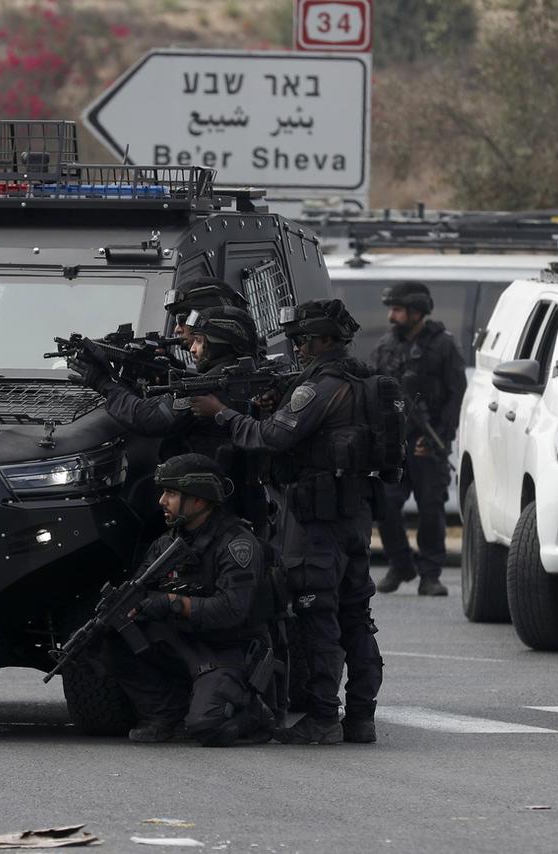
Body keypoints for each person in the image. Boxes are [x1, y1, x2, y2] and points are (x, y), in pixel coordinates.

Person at [188, 299, 383, 745]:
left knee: (318, 615)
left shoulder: (321, 385)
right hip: (354, 513)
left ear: (326, 340)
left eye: (303, 340)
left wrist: (221, 412)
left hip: (317, 521)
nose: (296, 349)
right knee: (358, 616)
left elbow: (271, 438)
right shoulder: (364, 378)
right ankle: (360, 717)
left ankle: (321, 717)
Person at [99, 453, 275, 746]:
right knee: (114, 634)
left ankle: (256, 715)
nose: (162, 502)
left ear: (200, 500)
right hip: (187, 642)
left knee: (207, 728)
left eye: (171, 493)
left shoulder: (237, 544)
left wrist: (172, 602)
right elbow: (141, 590)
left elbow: (232, 611)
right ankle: (166, 715)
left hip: (228, 649)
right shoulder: (166, 544)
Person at [70, 305, 271, 535]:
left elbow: (149, 418)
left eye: (199, 341)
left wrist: (104, 384)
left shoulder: (212, 385)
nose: (192, 349)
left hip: (212, 508)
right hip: (230, 500)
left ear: (218, 345)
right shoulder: (237, 376)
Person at [371, 282, 467, 597]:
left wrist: (440, 435)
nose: (391, 316)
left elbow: (456, 395)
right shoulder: (387, 346)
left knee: (430, 509)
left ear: (415, 312)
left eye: (397, 310)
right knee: (385, 505)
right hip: (394, 443)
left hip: (429, 440)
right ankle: (401, 564)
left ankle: (430, 574)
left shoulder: (443, 346)